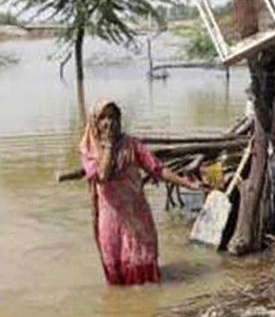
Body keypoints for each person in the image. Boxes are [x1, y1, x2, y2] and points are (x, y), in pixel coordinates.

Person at [80, 101, 205, 285]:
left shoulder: (131, 145)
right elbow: (103, 176)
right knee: (117, 276)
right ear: (94, 123)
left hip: (138, 218)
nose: (109, 122)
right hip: (111, 222)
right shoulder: (89, 151)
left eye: (113, 117)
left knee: (145, 273)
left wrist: (187, 183)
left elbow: (157, 169)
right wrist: (108, 145)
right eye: (103, 118)